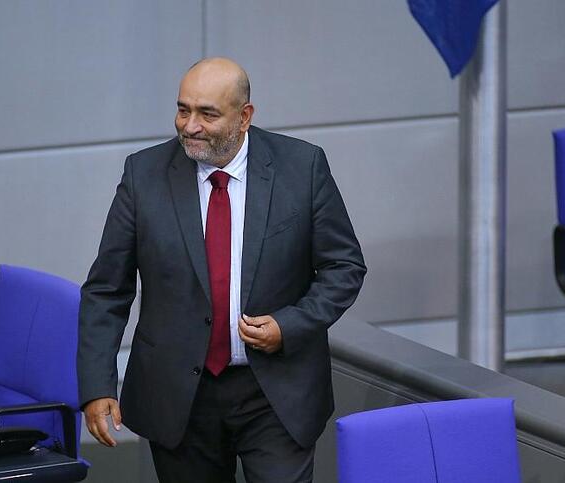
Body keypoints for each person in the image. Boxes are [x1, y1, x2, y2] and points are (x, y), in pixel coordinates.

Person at [78, 57, 366, 483]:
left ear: (244, 116)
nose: (190, 126)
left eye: (207, 114)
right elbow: (107, 289)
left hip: (276, 393)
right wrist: (97, 386)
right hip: (178, 395)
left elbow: (344, 267)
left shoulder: (302, 167)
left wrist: (289, 325)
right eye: (183, 110)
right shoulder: (144, 174)